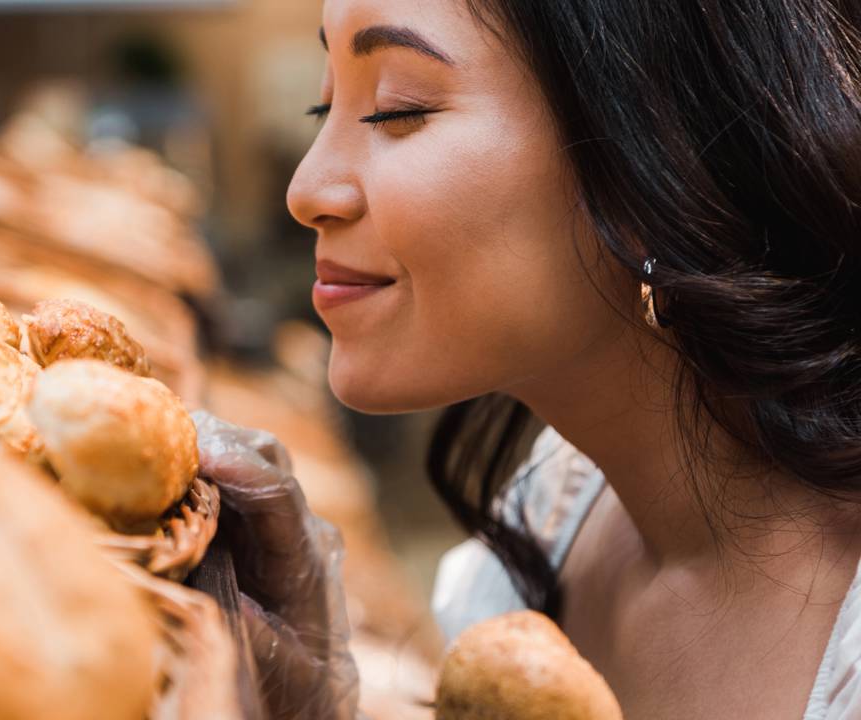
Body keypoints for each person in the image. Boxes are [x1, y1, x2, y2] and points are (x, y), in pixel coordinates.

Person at [193, 0, 861, 718]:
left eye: (396, 109)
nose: (305, 191)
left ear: (658, 155)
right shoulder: (550, 516)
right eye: (320, 105)